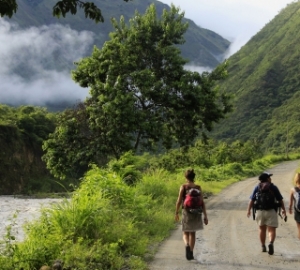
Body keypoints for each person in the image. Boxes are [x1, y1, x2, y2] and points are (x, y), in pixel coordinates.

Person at [246, 172, 286, 255]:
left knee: (261, 229)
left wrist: (248, 210)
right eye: (269, 177)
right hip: (271, 211)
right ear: (267, 179)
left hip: (260, 211)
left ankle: (263, 246)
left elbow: (252, 200)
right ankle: (271, 243)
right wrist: (283, 210)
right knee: (271, 229)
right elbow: (280, 200)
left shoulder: (257, 187)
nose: (270, 179)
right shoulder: (273, 187)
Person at [175, 169, 208, 260]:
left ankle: (187, 245)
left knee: (185, 232)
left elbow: (178, 201)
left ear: (186, 177)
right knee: (193, 233)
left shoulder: (184, 187)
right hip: (197, 212)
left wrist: (176, 212)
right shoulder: (198, 187)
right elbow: (202, 203)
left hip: (186, 211)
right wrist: (205, 216)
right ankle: (191, 252)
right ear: (194, 177)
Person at [288, 172, 300, 239]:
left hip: (298, 210)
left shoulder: (293, 189)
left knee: (299, 228)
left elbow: (291, 202)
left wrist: (289, 209)